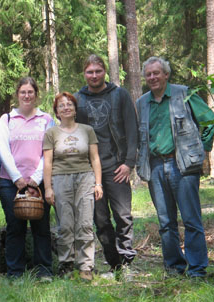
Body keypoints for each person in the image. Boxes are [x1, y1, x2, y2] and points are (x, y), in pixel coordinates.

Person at [136, 57, 214, 277]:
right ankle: (174, 267)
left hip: (182, 165)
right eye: (149, 74)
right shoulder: (142, 102)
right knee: (165, 222)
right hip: (155, 167)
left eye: (156, 73)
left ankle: (197, 269)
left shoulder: (184, 93)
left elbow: (210, 120)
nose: (152, 77)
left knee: (191, 219)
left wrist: (201, 150)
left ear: (166, 75)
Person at [75, 54, 138, 279]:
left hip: (116, 166)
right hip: (90, 171)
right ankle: (115, 264)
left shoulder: (119, 95)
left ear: (104, 72)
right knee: (100, 219)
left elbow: (132, 129)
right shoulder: (77, 99)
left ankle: (127, 260)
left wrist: (129, 163)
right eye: (90, 72)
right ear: (84, 74)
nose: (94, 75)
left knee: (123, 215)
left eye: (98, 71)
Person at [0, 77, 54, 280]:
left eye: (30, 92)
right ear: (17, 95)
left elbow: (49, 151)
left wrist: (35, 179)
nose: (27, 96)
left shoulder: (46, 119)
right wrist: (17, 178)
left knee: (41, 227)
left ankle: (44, 270)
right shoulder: (7, 119)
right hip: (10, 182)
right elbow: (3, 149)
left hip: (40, 181)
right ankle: (15, 272)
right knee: (15, 227)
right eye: (23, 92)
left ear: (36, 95)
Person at [43, 92, 103, 281]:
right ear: (57, 112)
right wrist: (48, 188)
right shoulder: (51, 133)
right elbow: (47, 163)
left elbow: (94, 158)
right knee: (65, 225)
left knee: (85, 223)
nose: (66, 107)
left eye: (69, 104)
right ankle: (66, 265)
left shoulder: (87, 130)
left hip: (85, 178)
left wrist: (98, 183)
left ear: (75, 109)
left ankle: (86, 266)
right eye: (61, 105)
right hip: (60, 179)